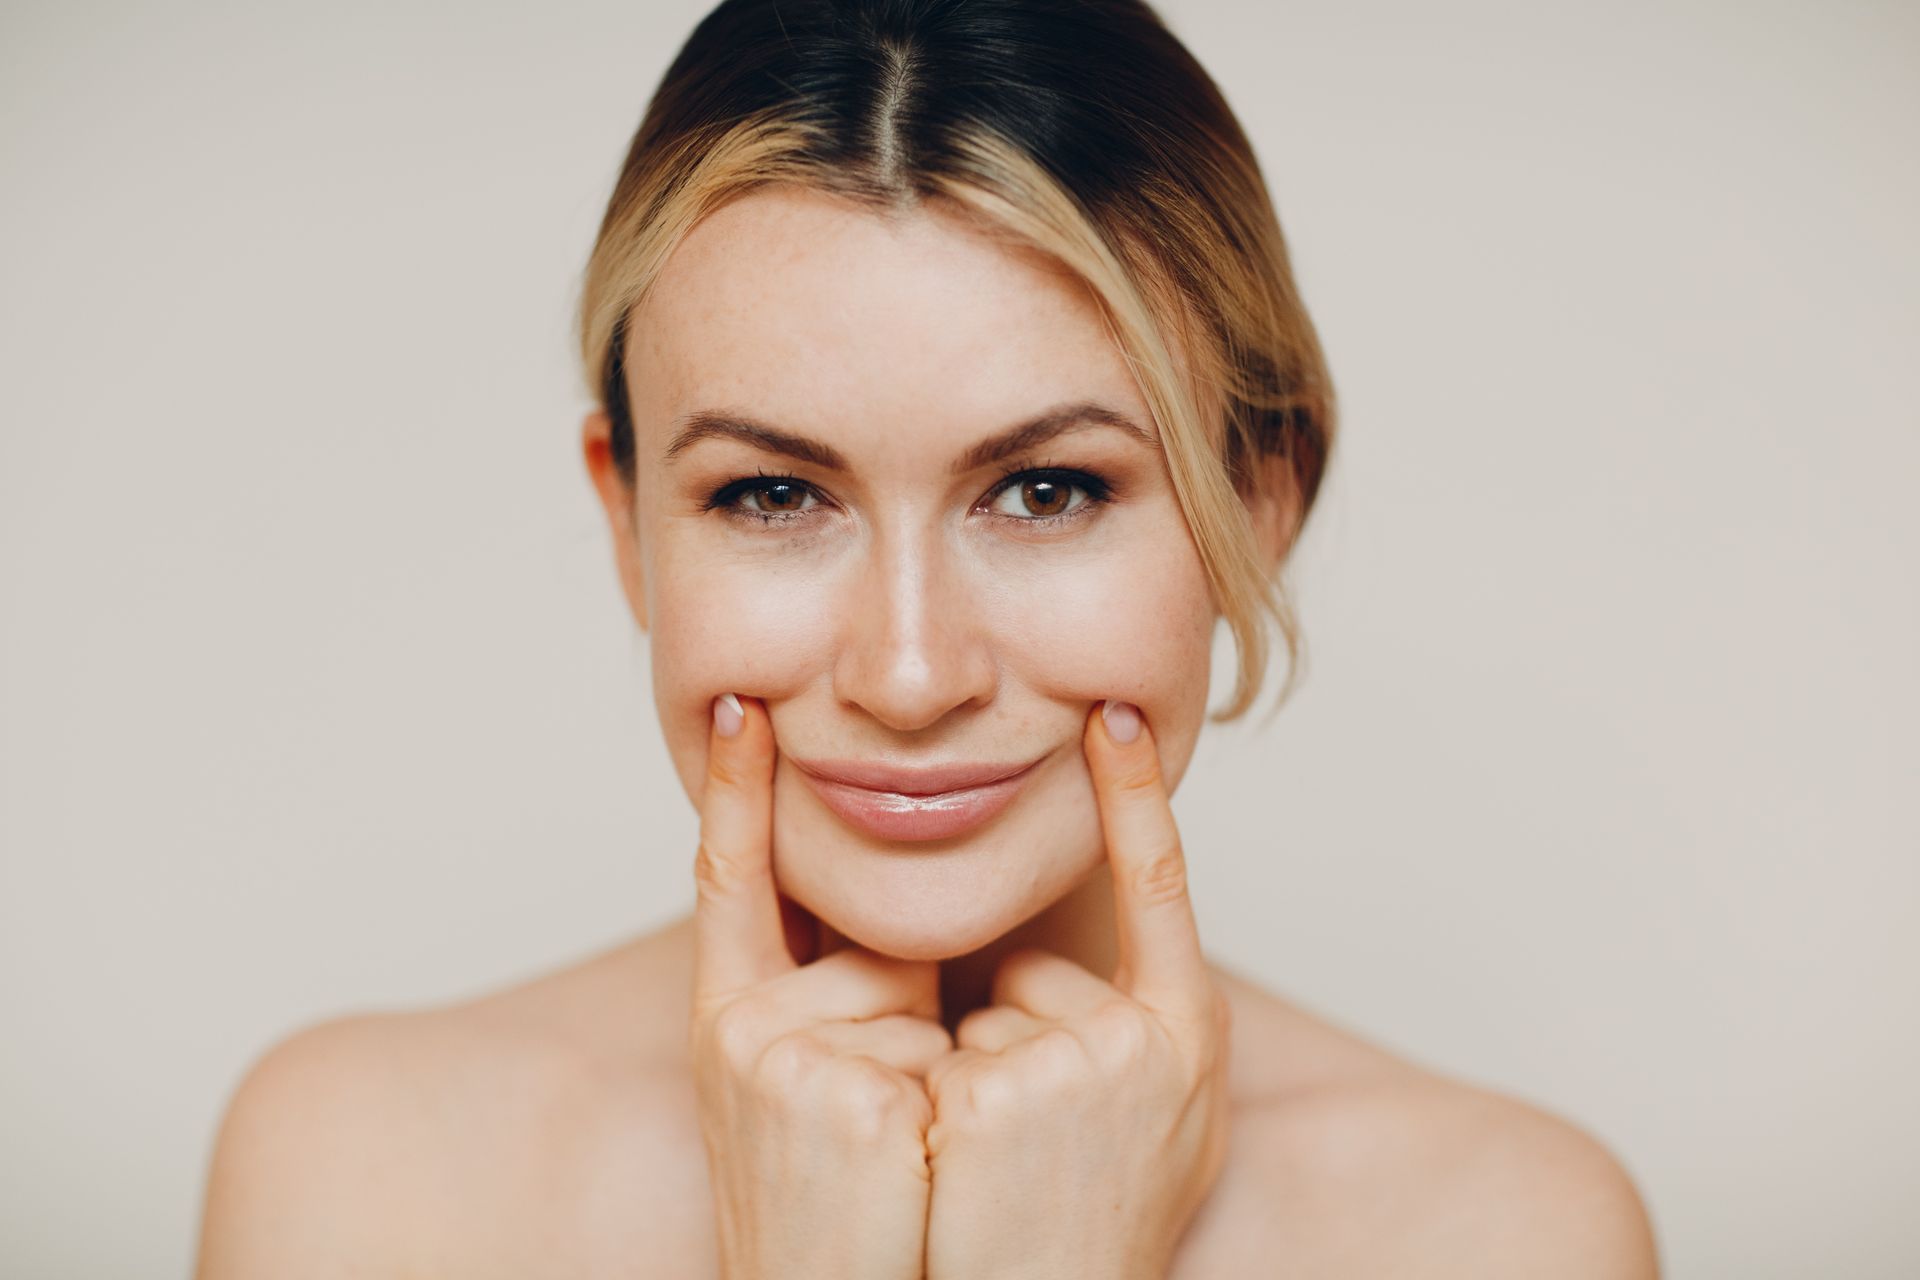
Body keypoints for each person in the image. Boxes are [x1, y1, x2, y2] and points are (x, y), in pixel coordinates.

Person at [194, 0, 1660, 1274]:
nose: (907, 675)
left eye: (1046, 489)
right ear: (628, 520)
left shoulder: (1507, 1231)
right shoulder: (352, 1177)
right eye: (771, 494)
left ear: (1256, 506)